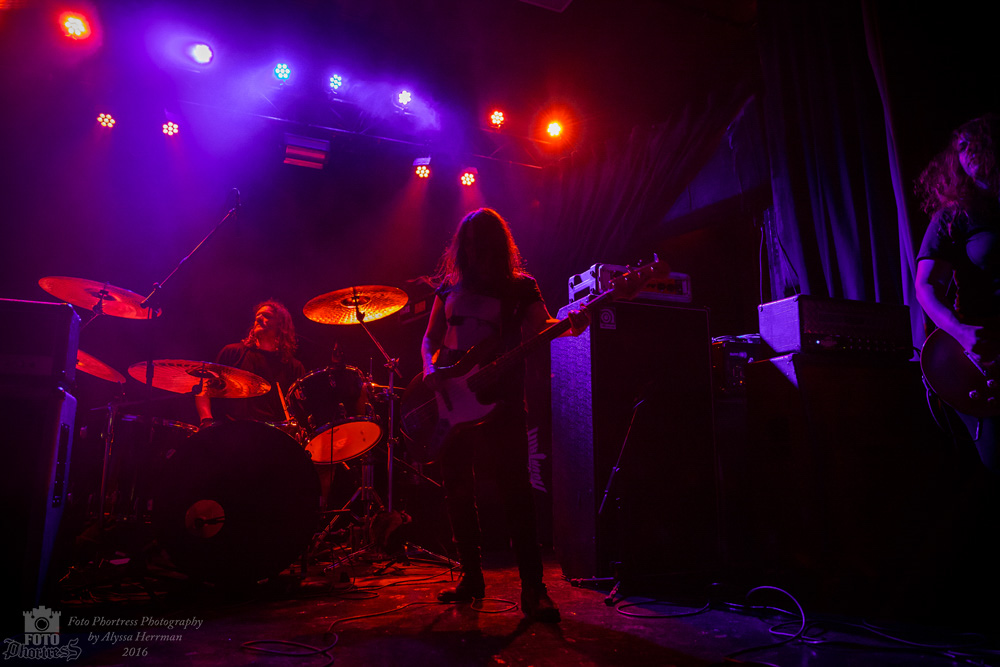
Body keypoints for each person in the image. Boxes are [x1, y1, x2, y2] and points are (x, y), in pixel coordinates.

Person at [420, 207, 589, 623]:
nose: (474, 254)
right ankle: (471, 577)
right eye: (469, 246)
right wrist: (429, 370)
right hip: (452, 400)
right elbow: (430, 339)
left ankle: (534, 589)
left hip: (504, 400)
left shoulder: (521, 288)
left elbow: (543, 326)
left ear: (496, 247)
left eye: (482, 246)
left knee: (517, 492)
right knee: (456, 489)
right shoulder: (448, 288)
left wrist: (571, 323)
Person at [915, 113, 1000, 472]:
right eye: (961, 147)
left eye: (978, 141)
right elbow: (925, 286)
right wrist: (962, 333)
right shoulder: (955, 217)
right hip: (986, 357)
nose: (969, 152)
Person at [195, 300, 306, 427]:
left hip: (274, 437)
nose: (259, 319)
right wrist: (206, 420)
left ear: (281, 325)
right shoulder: (232, 353)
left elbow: (300, 411)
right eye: (257, 316)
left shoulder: (293, 367)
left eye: (267, 316)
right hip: (232, 432)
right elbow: (204, 389)